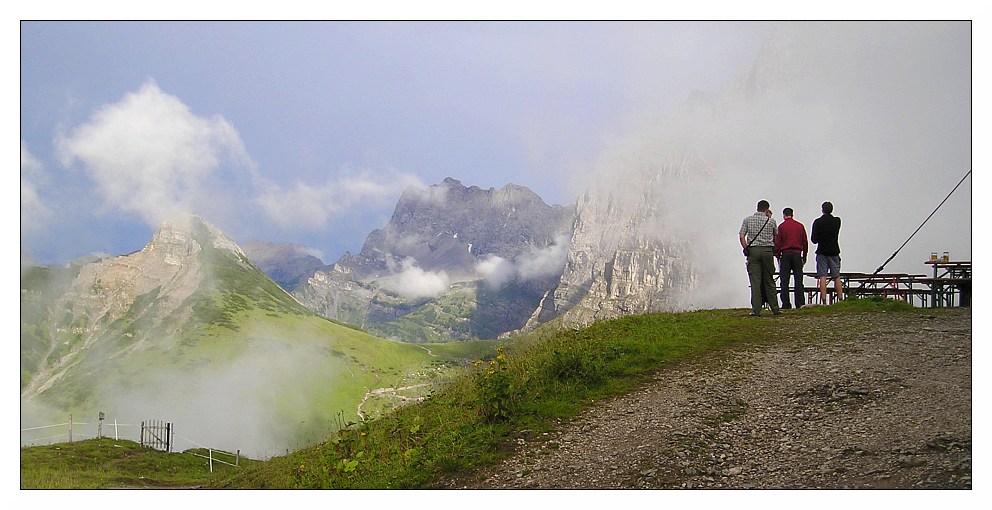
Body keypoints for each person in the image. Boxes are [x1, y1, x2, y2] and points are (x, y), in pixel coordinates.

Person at [739, 200, 780, 316]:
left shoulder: (747, 220)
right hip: (767, 251)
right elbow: (776, 236)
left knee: (755, 281)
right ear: (767, 209)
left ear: (757, 208)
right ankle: (775, 308)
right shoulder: (771, 221)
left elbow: (742, 236)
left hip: (753, 251)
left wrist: (745, 248)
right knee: (769, 280)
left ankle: (756, 310)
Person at [774, 207, 808, 309]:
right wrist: (804, 256)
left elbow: (778, 243)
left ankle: (786, 304)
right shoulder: (800, 226)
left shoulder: (781, 227)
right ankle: (800, 303)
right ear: (792, 214)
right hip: (797, 254)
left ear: (784, 215)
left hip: (785, 254)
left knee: (784, 280)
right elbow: (805, 242)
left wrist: (778, 256)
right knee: (798, 279)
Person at [810, 201, 843, 303]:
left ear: (822, 210)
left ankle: (824, 300)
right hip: (834, 250)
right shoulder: (837, 221)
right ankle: (841, 299)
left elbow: (814, 240)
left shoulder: (817, 222)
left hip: (822, 251)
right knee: (836, 276)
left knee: (823, 276)